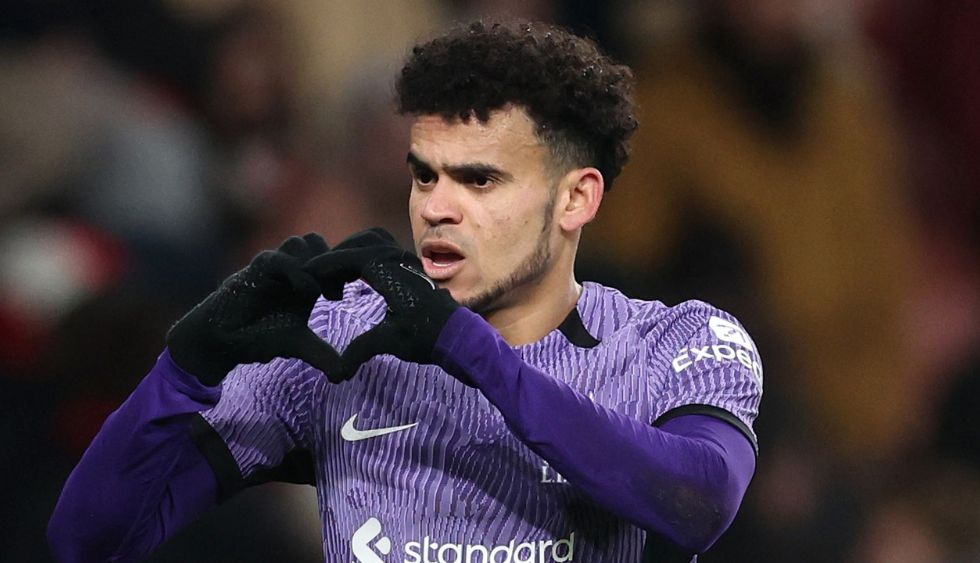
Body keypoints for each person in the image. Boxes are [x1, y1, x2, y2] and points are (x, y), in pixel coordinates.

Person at [49, 20, 762, 562]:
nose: (435, 208)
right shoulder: (344, 346)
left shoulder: (677, 341)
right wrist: (184, 370)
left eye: (479, 179)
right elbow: (88, 539)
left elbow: (699, 500)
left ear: (575, 199)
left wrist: (472, 354)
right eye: (426, 174)